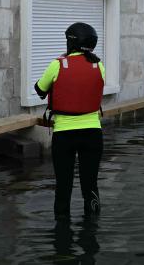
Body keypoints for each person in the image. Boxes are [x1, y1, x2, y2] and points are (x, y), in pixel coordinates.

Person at [34, 22, 104, 221]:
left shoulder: (58, 64)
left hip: (64, 135)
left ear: (70, 43)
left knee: (63, 186)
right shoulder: (98, 65)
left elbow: (40, 90)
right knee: (90, 186)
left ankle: (63, 242)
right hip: (93, 134)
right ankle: (91, 235)